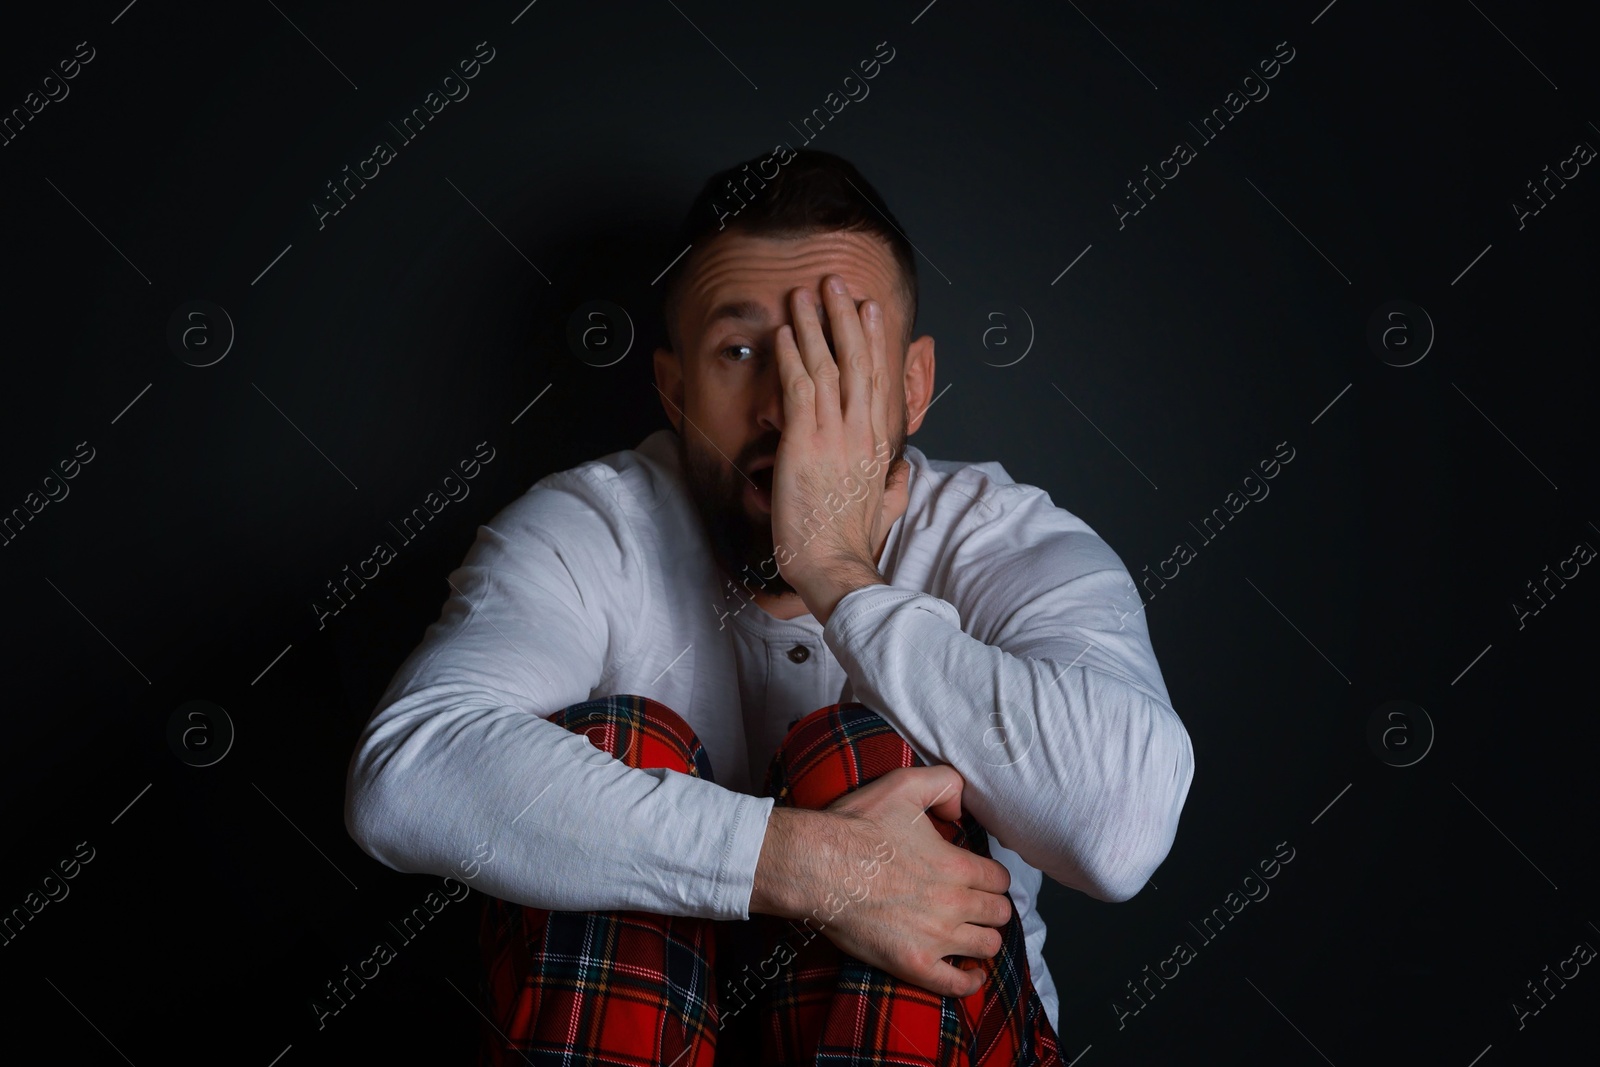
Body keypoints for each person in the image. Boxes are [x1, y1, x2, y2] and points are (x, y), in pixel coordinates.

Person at [344, 148, 1195, 1065]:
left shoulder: (1006, 539)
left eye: (839, 349)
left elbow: (1121, 834)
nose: (789, 407)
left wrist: (834, 567)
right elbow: (406, 773)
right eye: (741, 352)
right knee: (615, 742)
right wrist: (803, 864)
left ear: (912, 384)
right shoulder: (594, 525)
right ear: (673, 389)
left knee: (864, 752)